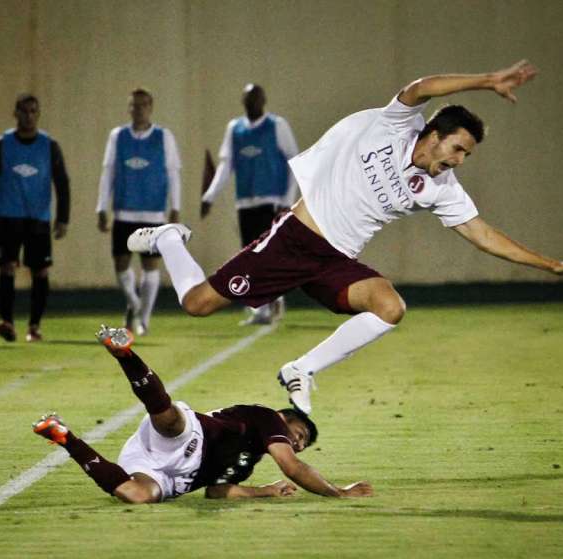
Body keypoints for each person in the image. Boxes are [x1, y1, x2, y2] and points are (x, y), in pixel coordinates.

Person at [129, 60, 563, 414]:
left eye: (467, 156)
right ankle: (171, 239)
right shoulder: (394, 125)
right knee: (196, 303)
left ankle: (301, 370)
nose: (459, 159)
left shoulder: (439, 186)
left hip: (336, 260)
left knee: (390, 306)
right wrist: (485, 81)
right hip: (296, 239)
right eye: (457, 147)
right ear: (434, 133)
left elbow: (481, 233)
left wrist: (551, 265)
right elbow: (421, 87)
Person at [33, 325, 373, 503]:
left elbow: (216, 492)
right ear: (285, 420)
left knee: (137, 497)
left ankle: (63, 436)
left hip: (166, 472)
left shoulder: (247, 458)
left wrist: (264, 491)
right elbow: (292, 467)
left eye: (302, 444)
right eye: (299, 434)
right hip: (192, 436)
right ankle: (124, 354)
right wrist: (338, 492)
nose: (297, 444)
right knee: (170, 421)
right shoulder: (268, 417)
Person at [201, 84, 300, 325]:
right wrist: (210, 196)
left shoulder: (277, 125)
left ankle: (270, 302)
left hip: (272, 200)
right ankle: (264, 305)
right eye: (248, 98)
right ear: (242, 101)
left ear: (264, 100)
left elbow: (294, 161)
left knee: (270, 253)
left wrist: (287, 200)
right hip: (245, 201)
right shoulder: (235, 129)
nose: (252, 102)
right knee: (251, 255)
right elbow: (226, 166)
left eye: (256, 98)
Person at [0, 93, 70, 342]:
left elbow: (62, 182)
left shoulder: (49, 146)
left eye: (33, 111)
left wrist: (63, 218)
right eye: (24, 111)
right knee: (7, 268)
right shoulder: (2, 144)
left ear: (38, 114)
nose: (28, 116)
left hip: (38, 218)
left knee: (40, 272)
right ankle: (6, 321)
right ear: (15, 113)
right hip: (8, 217)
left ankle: (34, 326)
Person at [96, 88, 181, 335]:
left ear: (151, 107)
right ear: (128, 108)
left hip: (153, 213)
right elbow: (108, 172)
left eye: (143, 105)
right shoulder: (118, 136)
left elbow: (173, 173)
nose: (138, 109)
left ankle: (143, 319)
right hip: (124, 212)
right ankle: (135, 304)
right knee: (121, 265)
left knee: (150, 266)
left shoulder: (164, 137)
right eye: (134, 105)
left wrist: (175, 207)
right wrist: (101, 207)